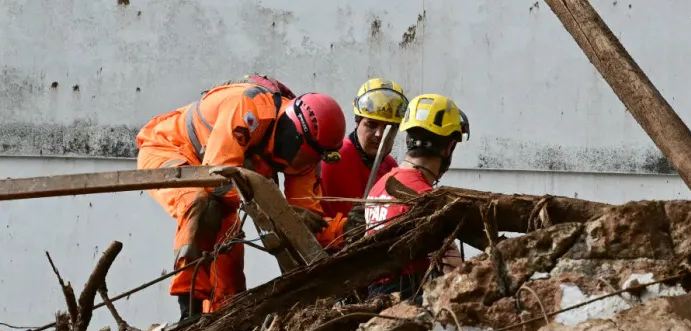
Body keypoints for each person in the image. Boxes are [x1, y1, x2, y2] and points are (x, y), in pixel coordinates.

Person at [136, 75, 345, 318]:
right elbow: (215, 181)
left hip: (221, 180)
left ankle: (219, 323)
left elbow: (305, 227)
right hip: (169, 148)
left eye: (312, 159)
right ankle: (188, 310)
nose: (304, 165)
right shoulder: (249, 107)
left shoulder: (307, 160)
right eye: (305, 156)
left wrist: (345, 229)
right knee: (200, 204)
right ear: (293, 135)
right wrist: (278, 211)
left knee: (229, 261)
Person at [364, 93, 469, 299]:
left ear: (407, 139)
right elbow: (454, 270)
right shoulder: (426, 200)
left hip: (375, 300)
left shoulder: (378, 187)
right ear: (449, 148)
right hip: (409, 303)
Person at [319, 77, 407, 232]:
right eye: (371, 125)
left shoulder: (390, 166)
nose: (379, 134)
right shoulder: (334, 160)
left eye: (389, 128)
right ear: (357, 122)